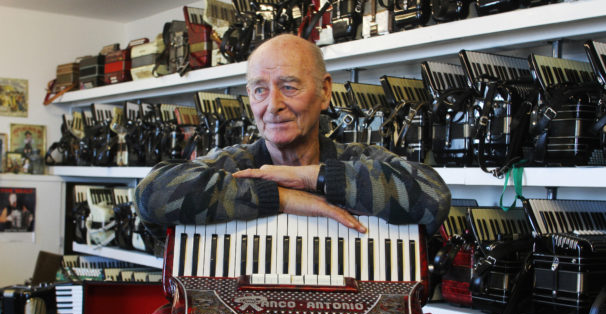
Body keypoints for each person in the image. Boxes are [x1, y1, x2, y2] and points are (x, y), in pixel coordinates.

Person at [134, 34, 450, 237]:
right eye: (260, 90)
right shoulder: (234, 163)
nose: (273, 105)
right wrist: (281, 197)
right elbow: (151, 195)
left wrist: (313, 179)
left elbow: (433, 197)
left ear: (325, 92)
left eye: (289, 86)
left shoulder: (357, 160)